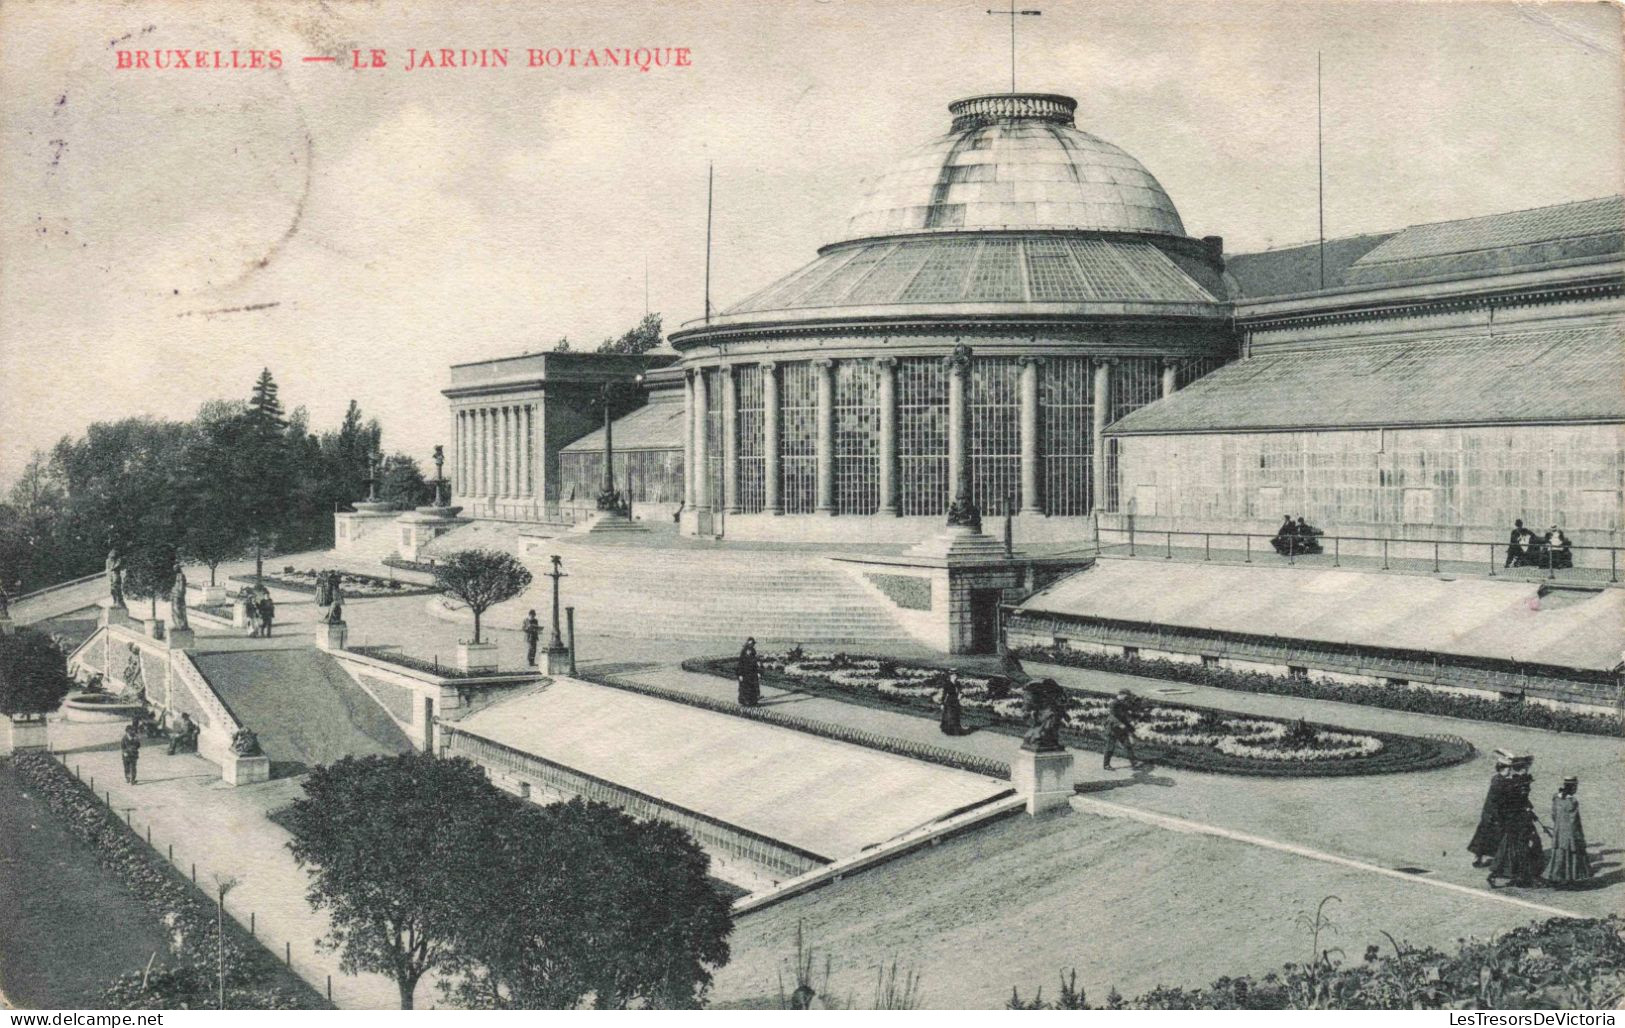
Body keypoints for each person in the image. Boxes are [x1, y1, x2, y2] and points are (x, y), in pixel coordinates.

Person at [1487, 757, 1548, 888]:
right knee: (1526, 847)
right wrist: (1524, 810)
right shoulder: (1515, 784)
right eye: (1526, 768)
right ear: (1522, 769)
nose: (1527, 770)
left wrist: (1528, 809)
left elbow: (1522, 799)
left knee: (1512, 848)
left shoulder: (1515, 782)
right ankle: (1527, 877)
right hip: (1517, 821)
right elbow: (1512, 802)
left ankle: (1503, 874)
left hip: (1517, 819)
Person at [1468, 753, 1515, 867]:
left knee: (1483, 835)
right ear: (1505, 768)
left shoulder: (1497, 779)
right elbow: (1500, 800)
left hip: (1489, 814)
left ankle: (1478, 857)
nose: (1510, 770)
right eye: (1509, 768)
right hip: (1495, 815)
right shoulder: (1501, 782)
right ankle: (1495, 859)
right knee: (1495, 836)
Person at [1544, 777, 1592, 886]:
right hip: (1570, 833)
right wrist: (1580, 836)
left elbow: (1554, 815)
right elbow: (1575, 821)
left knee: (1559, 855)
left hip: (1558, 832)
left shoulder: (1556, 798)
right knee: (1571, 855)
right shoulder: (1573, 801)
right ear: (1573, 787)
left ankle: (1555, 877)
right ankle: (1569, 878)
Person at [1103, 689, 1142, 770]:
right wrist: (1119, 724)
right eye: (1126, 696)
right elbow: (1112, 717)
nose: (1127, 698)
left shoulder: (1122, 703)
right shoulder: (1114, 703)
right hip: (1113, 728)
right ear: (1121, 694)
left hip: (1121, 729)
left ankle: (1134, 762)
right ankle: (1106, 765)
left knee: (1127, 745)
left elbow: (1131, 708)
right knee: (1110, 747)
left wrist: (1137, 700)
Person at [736, 637, 761, 707]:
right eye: (750, 644)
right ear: (747, 644)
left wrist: (758, 672)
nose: (751, 645)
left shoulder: (753, 651)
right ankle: (745, 701)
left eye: (753, 644)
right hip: (745, 673)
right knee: (744, 687)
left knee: (753, 687)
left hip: (752, 672)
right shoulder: (743, 651)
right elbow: (740, 663)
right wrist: (740, 674)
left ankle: (753, 702)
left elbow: (755, 662)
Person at [938, 672, 963, 736]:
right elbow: (944, 694)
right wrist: (942, 703)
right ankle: (948, 730)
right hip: (950, 702)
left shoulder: (958, 684)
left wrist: (960, 695)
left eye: (956, 676)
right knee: (949, 715)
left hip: (956, 701)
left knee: (956, 715)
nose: (955, 677)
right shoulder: (948, 684)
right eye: (954, 676)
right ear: (951, 676)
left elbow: (960, 691)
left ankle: (956, 730)